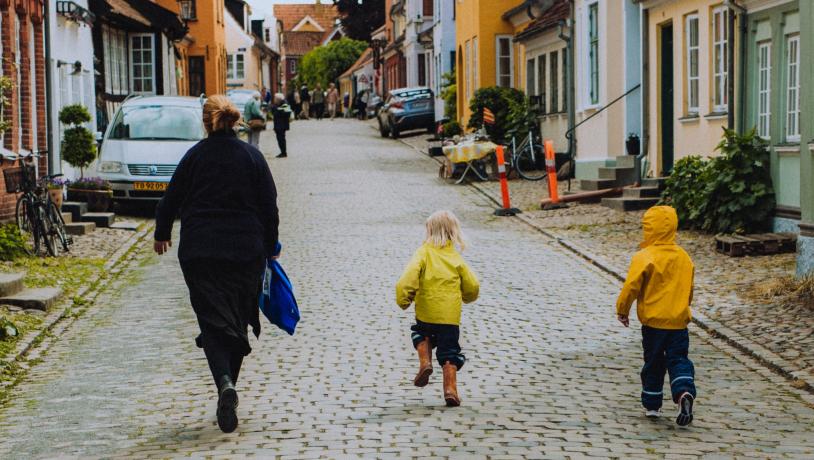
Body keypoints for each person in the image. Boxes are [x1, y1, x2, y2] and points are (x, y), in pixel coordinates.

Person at [154, 95, 279, 433]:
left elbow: (170, 199)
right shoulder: (252, 156)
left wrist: (162, 233)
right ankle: (229, 385)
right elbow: (269, 205)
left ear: (205, 121)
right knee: (236, 320)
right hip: (245, 252)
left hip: (201, 253)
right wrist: (271, 247)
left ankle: (225, 383)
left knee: (212, 322)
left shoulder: (194, 156)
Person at [615, 205, 696, 427]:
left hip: (653, 323)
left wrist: (623, 309)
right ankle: (684, 392)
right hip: (678, 322)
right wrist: (683, 305)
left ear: (649, 229)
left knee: (654, 362)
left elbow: (631, 286)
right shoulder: (684, 257)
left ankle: (652, 404)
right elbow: (688, 288)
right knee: (679, 360)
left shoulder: (644, 256)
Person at [395, 210, 480, 407]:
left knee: (420, 334)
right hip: (450, 318)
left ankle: (425, 362)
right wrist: (468, 297)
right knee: (450, 352)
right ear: (453, 232)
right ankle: (450, 389)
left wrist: (404, 299)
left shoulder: (423, 252)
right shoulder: (455, 258)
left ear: (429, 231)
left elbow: (407, 279)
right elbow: (473, 285)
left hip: (426, 312)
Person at [269, 93, 292, 158]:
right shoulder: (277, 104)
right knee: (279, 139)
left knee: (281, 139)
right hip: (278, 124)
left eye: (275, 98)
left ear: (278, 99)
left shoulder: (285, 104)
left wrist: (277, 110)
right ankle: (282, 152)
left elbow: (287, 113)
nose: (274, 100)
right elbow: (274, 112)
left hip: (282, 125)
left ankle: (283, 152)